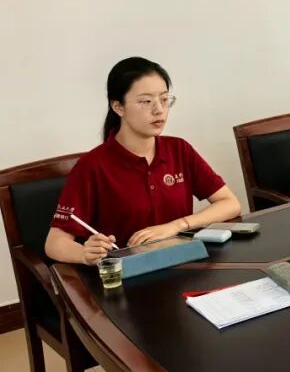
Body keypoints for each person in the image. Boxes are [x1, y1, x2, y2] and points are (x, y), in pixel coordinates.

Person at [45, 57, 241, 264]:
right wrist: (84, 254)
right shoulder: (92, 166)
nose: (159, 110)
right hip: (129, 273)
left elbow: (230, 204)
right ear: (118, 107)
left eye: (164, 99)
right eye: (146, 101)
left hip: (185, 264)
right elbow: (55, 242)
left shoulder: (179, 149)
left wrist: (176, 226)